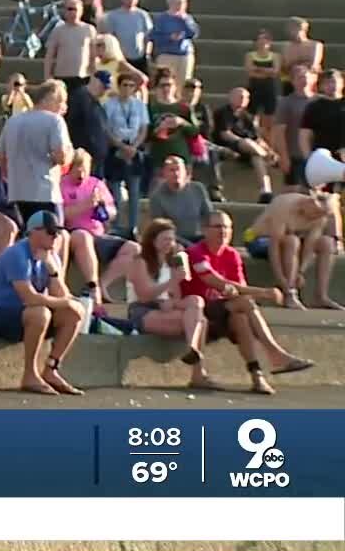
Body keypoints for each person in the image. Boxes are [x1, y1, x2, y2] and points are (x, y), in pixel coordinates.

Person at [181, 212, 315, 394]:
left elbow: (240, 288)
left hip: (223, 310)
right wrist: (264, 292)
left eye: (227, 227)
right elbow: (214, 281)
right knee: (244, 304)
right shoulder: (195, 253)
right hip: (196, 310)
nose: (224, 232)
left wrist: (239, 293)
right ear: (205, 230)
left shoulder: (232, 255)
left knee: (241, 317)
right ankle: (275, 353)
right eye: (218, 227)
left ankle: (257, 376)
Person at [0, 211, 86, 395]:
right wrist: (66, 303)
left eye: (57, 232)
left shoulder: (51, 257)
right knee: (41, 312)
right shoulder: (17, 254)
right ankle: (29, 375)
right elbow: (29, 298)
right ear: (34, 232)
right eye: (50, 232)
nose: (56, 236)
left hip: (25, 314)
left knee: (73, 314)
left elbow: (62, 295)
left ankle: (51, 369)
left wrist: (52, 272)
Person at [125, 218, 219, 389]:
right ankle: (198, 373)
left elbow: (176, 296)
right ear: (153, 241)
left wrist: (172, 300)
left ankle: (191, 348)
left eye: (172, 239)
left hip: (165, 307)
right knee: (201, 322)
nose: (170, 243)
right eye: (165, 239)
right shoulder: (140, 261)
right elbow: (144, 295)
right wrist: (170, 283)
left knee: (196, 302)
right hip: (142, 310)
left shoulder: (173, 262)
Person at [61, 149, 140, 309]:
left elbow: (112, 212)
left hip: (99, 234)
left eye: (84, 168)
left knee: (133, 248)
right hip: (74, 234)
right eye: (77, 168)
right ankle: (93, 287)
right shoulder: (60, 184)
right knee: (83, 237)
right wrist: (85, 205)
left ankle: (104, 284)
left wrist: (103, 208)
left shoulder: (96, 184)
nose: (81, 173)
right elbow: (61, 215)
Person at [246, 192, 342, 311]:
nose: (318, 217)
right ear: (309, 202)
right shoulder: (284, 206)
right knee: (292, 241)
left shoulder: (321, 216)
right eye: (317, 212)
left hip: (290, 240)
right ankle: (290, 293)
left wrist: (300, 271)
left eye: (323, 214)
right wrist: (282, 281)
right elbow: (274, 248)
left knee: (327, 243)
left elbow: (310, 244)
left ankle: (320, 296)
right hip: (257, 238)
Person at [0, 80, 73, 223]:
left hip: (17, 192)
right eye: (61, 101)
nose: (64, 107)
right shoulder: (55, 121)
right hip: (45, 193)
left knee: (28, 238)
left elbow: (2, 158)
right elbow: (61, 157)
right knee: (55, 237)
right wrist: (70, 153)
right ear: (49, 99)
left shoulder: (13, 121)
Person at [103, 71, 150, 237]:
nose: (128, 89)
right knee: (115, 190)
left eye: (131, 86)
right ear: (119, 86)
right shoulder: (110, 104)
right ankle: (115, 226)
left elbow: (144, 128)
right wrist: (121, 146)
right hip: (116, 147)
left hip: (134, 148)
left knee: (135, 191)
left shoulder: (139, 105)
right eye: (125, 85)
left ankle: (133, 227)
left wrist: (134, 147)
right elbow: (106, 128)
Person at [214, 87, 276, 203]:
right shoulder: (223, 112)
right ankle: (266, 157)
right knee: (247, 142)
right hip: (228, 147)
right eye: (240, 97)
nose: (243, 100)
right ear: (231, 98)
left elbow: (257, 138)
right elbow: (225, 134)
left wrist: (269, 150)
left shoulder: (246, 116)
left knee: (256, 158)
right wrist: (241, 141)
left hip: (249, 149)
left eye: (246, 98)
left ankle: (265, 191)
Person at [148, 155, 214, 244]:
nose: (176, 173)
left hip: (200, 238)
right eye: (172, 170)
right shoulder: (157, 197)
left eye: (178, 169)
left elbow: (209, 216)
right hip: (175, 241)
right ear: (164, 173)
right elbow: (160, 229)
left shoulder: (198, 188)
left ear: (185, 172)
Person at [273, 64, 318, 188]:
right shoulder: (286, 102)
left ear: (313, 79)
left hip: (317, 154)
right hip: (295, 155)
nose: (303, 80)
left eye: (305, 77)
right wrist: (284, 156)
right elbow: (279, 131)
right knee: (293, 190)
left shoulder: (320, 101)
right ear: (292, 81)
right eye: (299, 78)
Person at [64, 70, 112, 179]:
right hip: (82, 161)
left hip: (97, 160)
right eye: (103, 86)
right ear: (94, 80)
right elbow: (69, 124)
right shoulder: (78, 98)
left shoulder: (97, 103)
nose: (104, 91)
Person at [147, 73, 199, 171]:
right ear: (156, 88)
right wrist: (159, 129)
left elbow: (195, 131)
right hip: (159, 160)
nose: (166, 89)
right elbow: (146, 135)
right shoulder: (150, 108)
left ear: (175, 87)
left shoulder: (184, 107)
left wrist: (182, 122)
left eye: (169, 85)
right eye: (163, 85)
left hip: (182, 158)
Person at [44, 0, 96, 94]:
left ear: (81, 11)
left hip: (82, 77)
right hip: (62, 77)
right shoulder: (58, 30)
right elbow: (49, 55)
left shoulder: (89, 29)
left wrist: (93, 77)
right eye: (69, 9)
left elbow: (93, 56)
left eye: (74, 9)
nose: (72, 12)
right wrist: (47, 77)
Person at [148, 0, 199, 87]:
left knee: (183, 83)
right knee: (165, 83)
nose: (182, 5)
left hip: (184, 55)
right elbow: (154, 36)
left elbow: (193, 33)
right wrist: (169, 38)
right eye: (179, 2)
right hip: (166, 54)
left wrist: (185, 21)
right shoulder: (162, 19)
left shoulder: (187, 18)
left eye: (184, 2)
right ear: (171, 3)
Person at [98, 0, 154, 73]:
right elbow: (110, 37)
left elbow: (148, 37)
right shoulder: (112, 16)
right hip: (121, 58)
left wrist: (147, 54)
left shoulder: (143, 15)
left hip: (140, 58)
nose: (132, 0)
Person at [245, 29, 282, 133]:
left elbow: (275, 71)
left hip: (269, 87)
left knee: (269, 116)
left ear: (270, 42)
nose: (262, 42)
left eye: (265, 39)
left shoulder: (275, 56)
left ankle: (267, 138)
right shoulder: (250, 55)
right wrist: (267, 71)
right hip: (254, 86)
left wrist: (258, 69)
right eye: (259, 39)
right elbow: (250, 71)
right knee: (252, 115)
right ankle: (253, 134)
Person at [282, 17, 324, 96]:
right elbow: (287, 65)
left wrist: (296, 64)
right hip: (292, 80)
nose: (291, 32)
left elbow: (313, 65)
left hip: (311, 80)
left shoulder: (315, 45)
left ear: (303, 29)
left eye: (293, 29)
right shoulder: (287, 47)